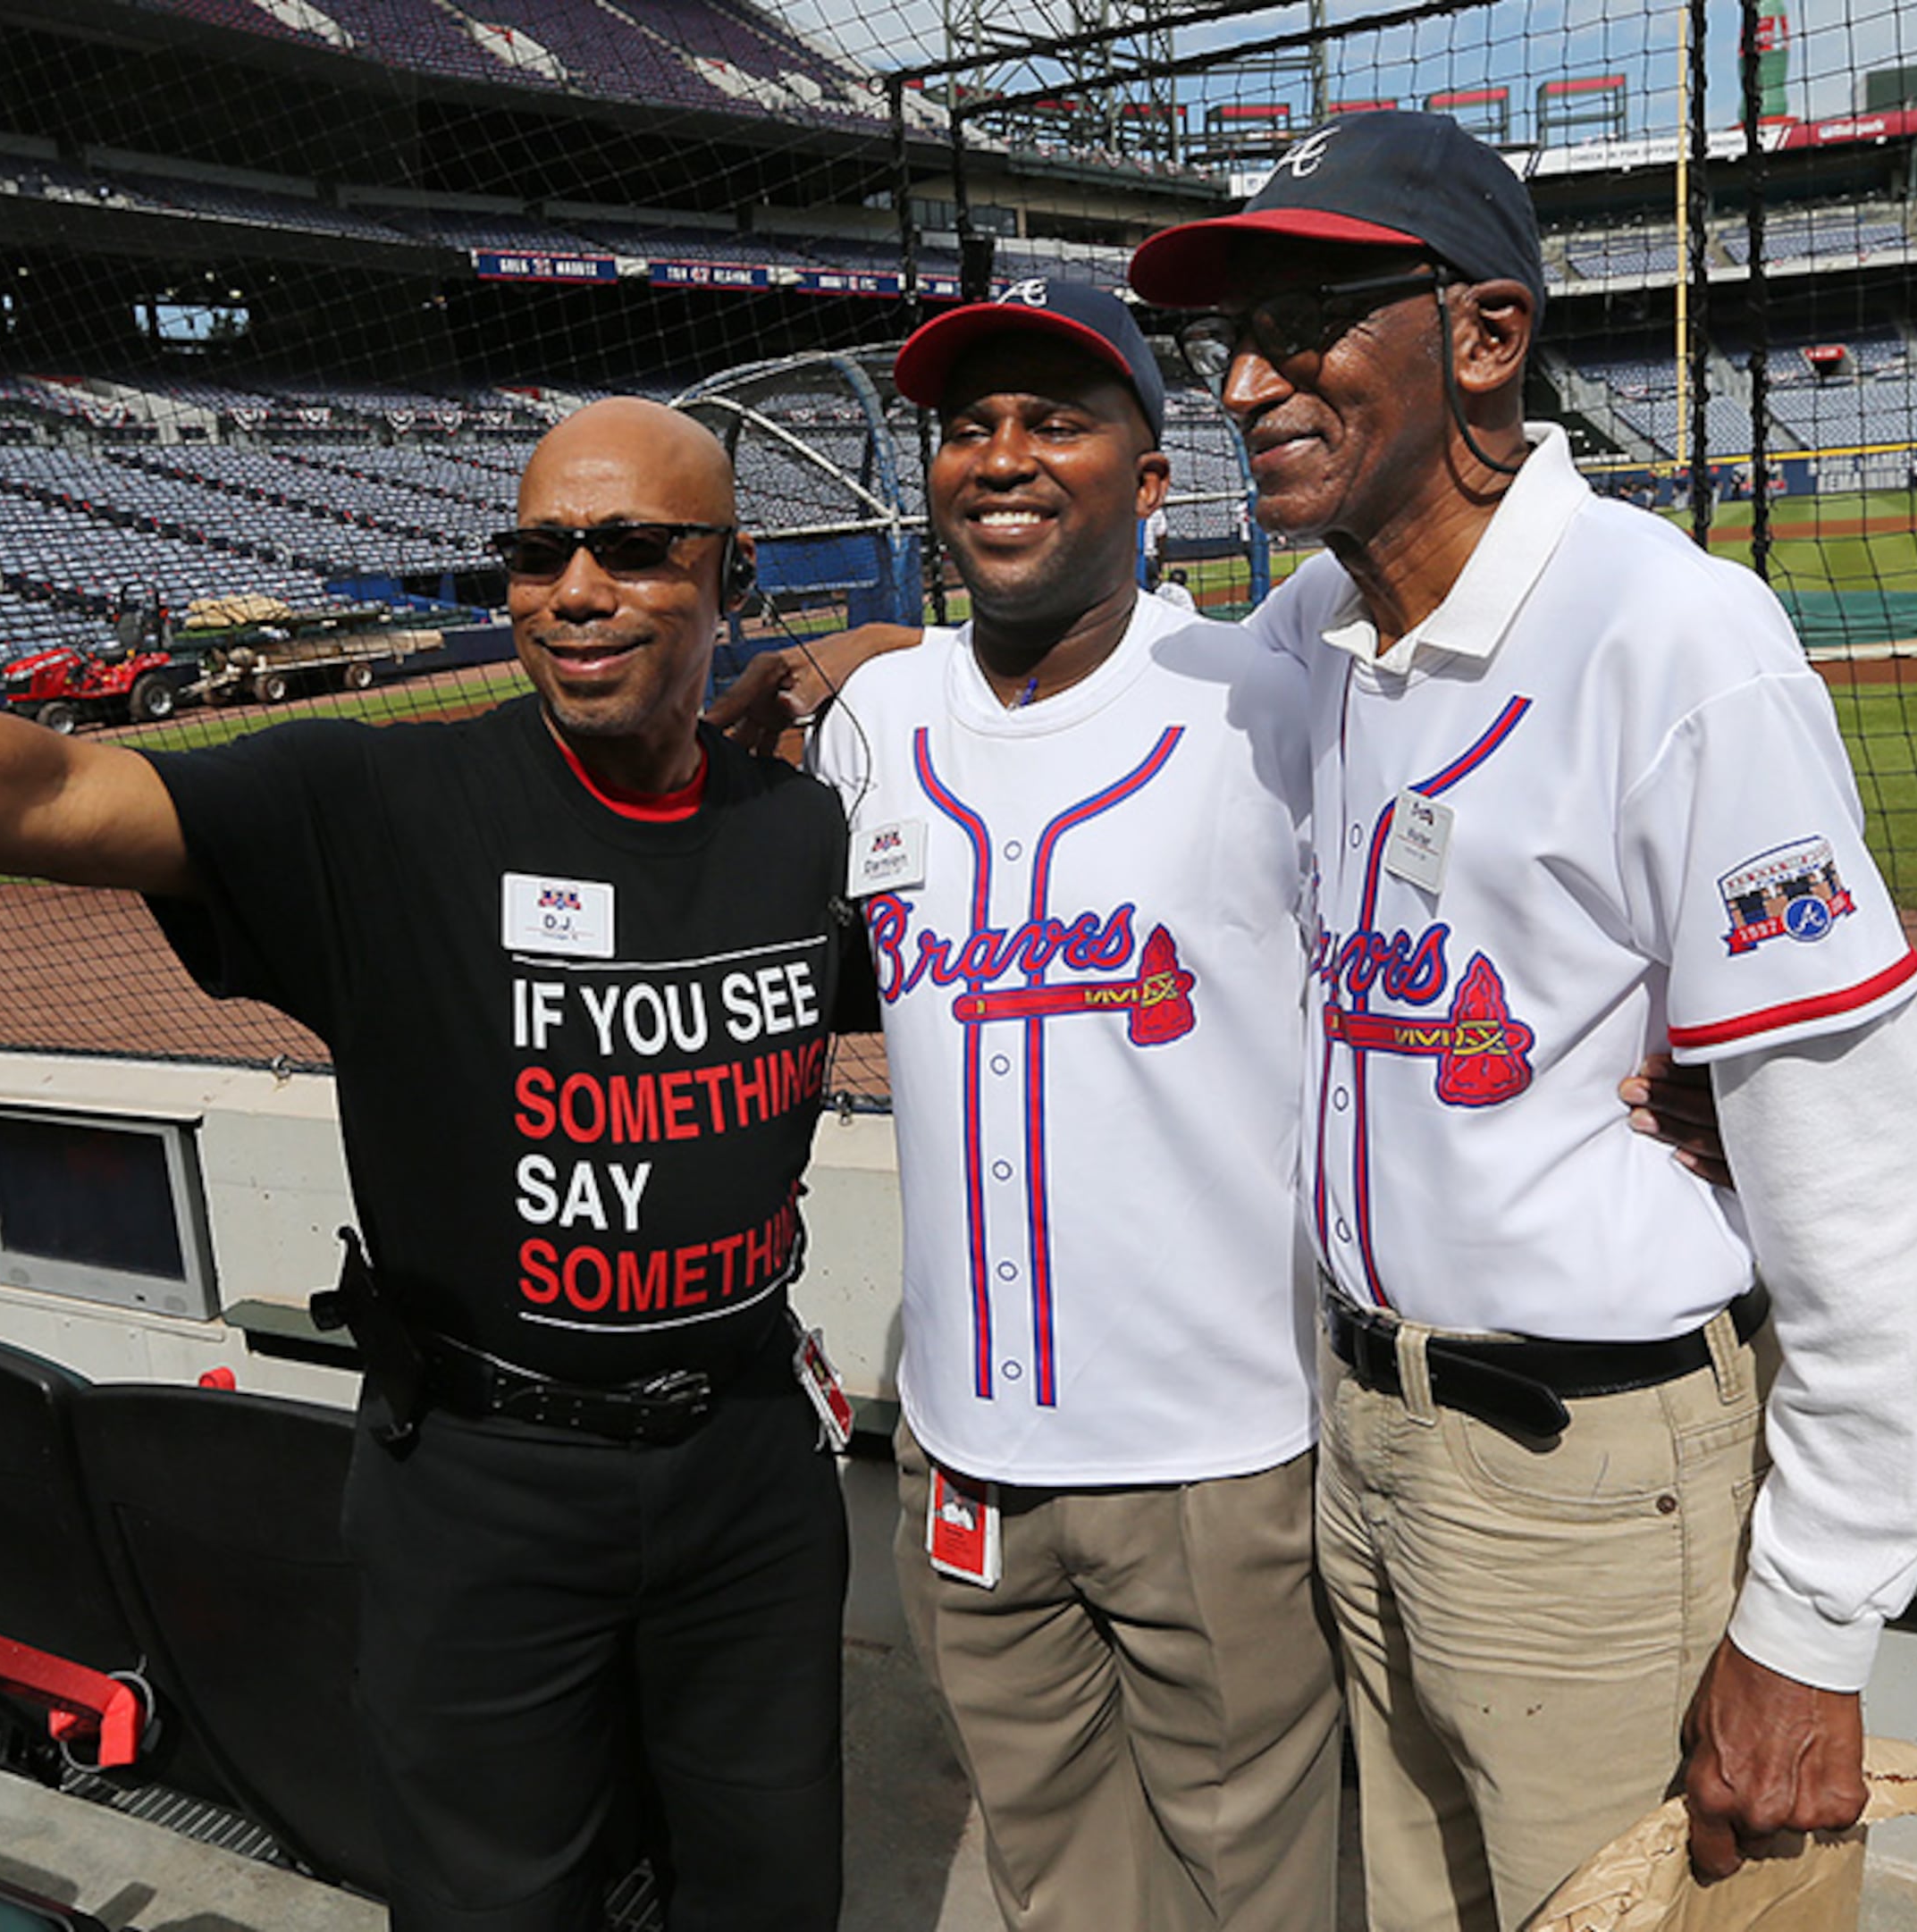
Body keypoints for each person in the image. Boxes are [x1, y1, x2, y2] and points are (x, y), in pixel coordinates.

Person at [0, 398, 854, 1932]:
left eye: (633, 549)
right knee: (498, 1903)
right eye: (537, 550)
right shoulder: (385, 806)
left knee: (770, 1889)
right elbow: (34, 793)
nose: (574, 590)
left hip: (748, 1455)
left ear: (734, 573)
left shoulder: (803, 824)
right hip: (488, 1480)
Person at [1131, 110, 1917, 1931]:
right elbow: (1129, 666)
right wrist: (851, 663)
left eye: (1308, 319)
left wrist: (1812, 1622)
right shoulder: (1320, 633)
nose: (1246, 375)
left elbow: (1876, 1158)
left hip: (1598, 1486)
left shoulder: (1675, 638)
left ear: (1487, 339)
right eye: (1233, 337)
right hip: (1375, 1458)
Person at [809, 281, 1339, 1930]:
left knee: (1258, 1895)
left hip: (1219, 1458)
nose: (1007, 456)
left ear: (1154, 471)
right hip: (963, 1460)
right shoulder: (875, 723)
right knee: (1057, 1890)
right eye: (971, 425)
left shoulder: (1268, 694)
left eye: (1059, 418)